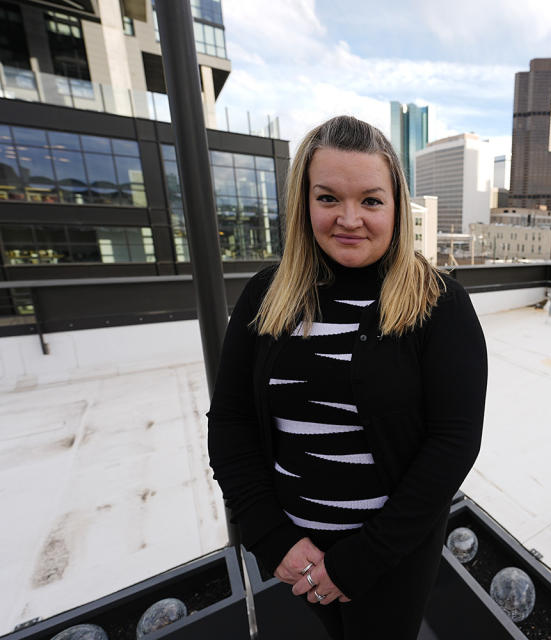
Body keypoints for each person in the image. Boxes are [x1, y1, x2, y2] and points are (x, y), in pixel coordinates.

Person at [207, 115, 487, 639]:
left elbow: (453, 443)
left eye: (371, 200)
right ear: (303, 202)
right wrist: (273, 541)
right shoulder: (266, 295)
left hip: (391, 561)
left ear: (397, 207)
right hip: (297, 558)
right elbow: (230, 423)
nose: (349, 218)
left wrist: (359, 561)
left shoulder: (439, 303)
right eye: (329, 198)